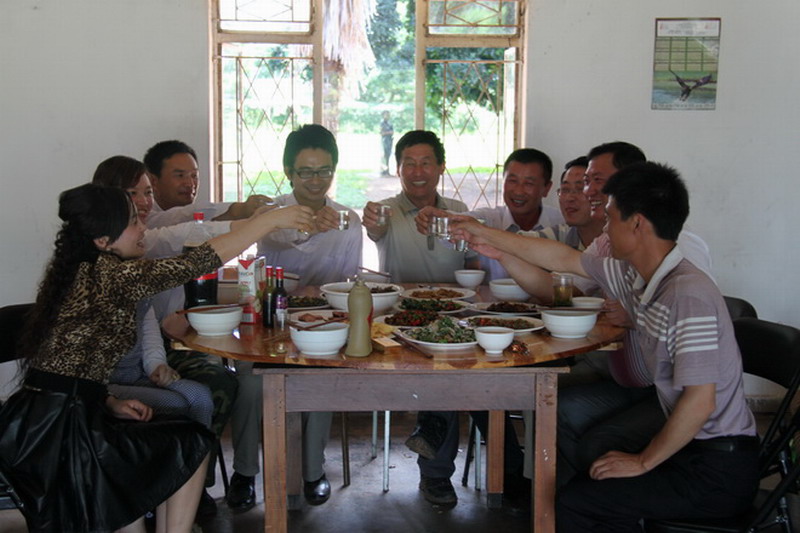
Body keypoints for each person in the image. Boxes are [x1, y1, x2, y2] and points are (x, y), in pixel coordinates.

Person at [452, 162, 760, 530]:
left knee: (580, 504)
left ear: (637, 224)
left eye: (610, 217)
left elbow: (701, 401)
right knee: (589, 475)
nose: (604, 228)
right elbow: (561, 258)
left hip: (716, 467)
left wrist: (643, 461)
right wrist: (493, 245)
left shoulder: (687, 294)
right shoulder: (634, 274)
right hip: (692, 448)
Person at [0, 183, 312, 533]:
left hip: (56, 416)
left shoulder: (85, 270)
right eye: (133, 222)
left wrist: (109, 400)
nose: (142, 228)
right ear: (102, 240)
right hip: (58, 432)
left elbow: (68, 364)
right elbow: (194, 263)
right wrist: (268, 222)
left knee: (181, 445)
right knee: (190, 445)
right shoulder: (110, 275)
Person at [93, 154, 242, 516]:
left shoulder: (136, 249)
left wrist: (156, 364)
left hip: (148, 361)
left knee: (206, 391)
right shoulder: (101, 267)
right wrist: (259, 221)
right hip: (106, 383)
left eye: (146, 193)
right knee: (180, 407)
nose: (143, 203)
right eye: (133, 194)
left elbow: (146, 323)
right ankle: (163, 485)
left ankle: (192, 486)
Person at [225, 124, 361, 511]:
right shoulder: (271, 214)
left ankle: (313, 472)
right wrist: (307, 228)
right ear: (288, 172)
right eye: (306, 172)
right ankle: (245, 472)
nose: (316, 181)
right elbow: (278, 240)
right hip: (269, 324)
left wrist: (328, 297)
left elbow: (349, 282)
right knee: (250, 384)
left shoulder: (348, 220)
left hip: (323, 326)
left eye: (324, 171)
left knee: (319, 378)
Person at [414, 148, 565, 281]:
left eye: (528, 184)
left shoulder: (560, 224)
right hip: (493, 303)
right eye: (512, 181)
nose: (518, 191)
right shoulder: (488, 219)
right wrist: (437, 219)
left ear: (546, 188)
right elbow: (460, 223)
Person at [362, 130, 479, 284]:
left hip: (453, 299)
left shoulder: (458, 209)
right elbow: (376, 229)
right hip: (399, 299)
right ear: (398, 170)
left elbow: (472, 263)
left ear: (442, 167)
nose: (418, 172)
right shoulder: (385, 210)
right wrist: (373, 221)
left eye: (425, 163)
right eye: (410, 164)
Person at [143, 140, 270, 229]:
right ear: (153, 181)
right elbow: (182, 218)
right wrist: (239, 210)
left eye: (194, 176)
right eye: (180, 175)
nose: (190, 184)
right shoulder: (144, 217)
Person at [380, 111, 394, 176]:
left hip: (389, 140)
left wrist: (388, 133)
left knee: (388, 155)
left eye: (388, 115)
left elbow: (392, 132)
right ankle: (383, 171)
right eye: (386, 115)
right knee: (384, 155)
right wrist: (388, 132)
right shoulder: (382, 123)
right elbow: (382, 133)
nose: (387, 116)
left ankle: (387, 170)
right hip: (384, 141)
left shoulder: (390, 123)